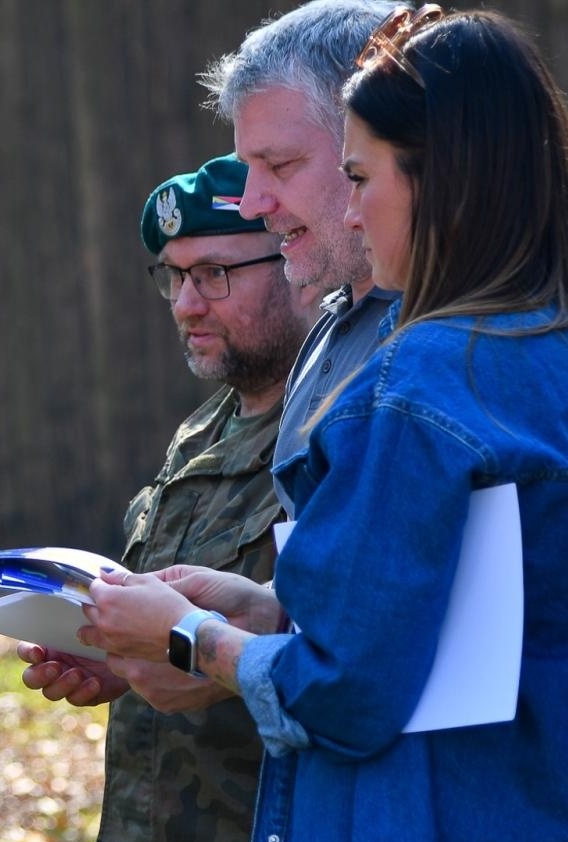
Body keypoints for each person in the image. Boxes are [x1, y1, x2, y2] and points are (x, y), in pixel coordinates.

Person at [81, 8, 568, 842]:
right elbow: (470, 628)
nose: (344, 214)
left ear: (441, 179)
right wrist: (270, 606)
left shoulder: (419, 382)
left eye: (355, 178)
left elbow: (350, 691)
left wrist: (195, 639)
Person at [19, 155, 317, 842]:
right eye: (175, 278)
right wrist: (118, 657)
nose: (189, 303)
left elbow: (333, 649)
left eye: (217, 274)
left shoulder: (335, 429)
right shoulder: (206, 428)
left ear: (300, 257)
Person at [199, 0, 404, 516]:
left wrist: (187, 606)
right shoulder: (328, 333)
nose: (251, 204)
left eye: (281, 165)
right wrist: (256, 599)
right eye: (248, 168)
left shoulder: (455, 337)